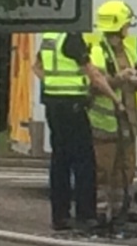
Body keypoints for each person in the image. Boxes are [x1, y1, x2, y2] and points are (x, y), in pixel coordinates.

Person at [32, 28, 120, 233]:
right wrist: (116, 100)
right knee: (84, 161)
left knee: (60, 160)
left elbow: (36, 67)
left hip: (53, 105)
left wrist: (52, 84)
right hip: (73, 105)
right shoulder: (72, 38)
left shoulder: (49, 36)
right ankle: (85, 215)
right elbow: (95, 75)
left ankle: (60, 216)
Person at [88, 0, 137, 232]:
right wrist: (120, 79)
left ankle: (123, 210)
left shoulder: (128, 50)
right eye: (126, 24)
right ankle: (102, 213)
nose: (128, 28)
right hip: (104, 123)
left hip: (127, 122)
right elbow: (95, 85)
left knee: (126, 168)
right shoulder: (97, 52)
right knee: (104, 170)